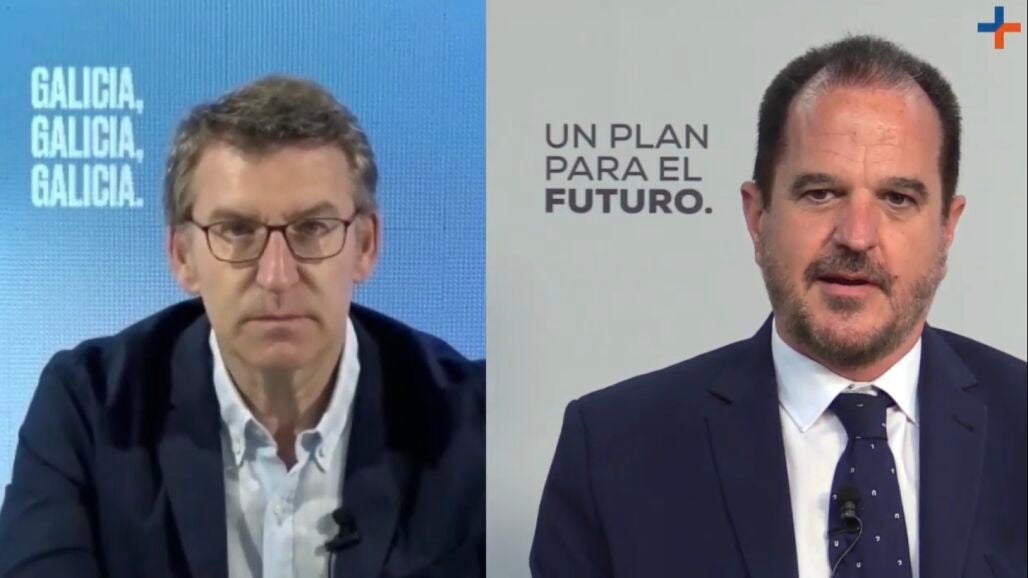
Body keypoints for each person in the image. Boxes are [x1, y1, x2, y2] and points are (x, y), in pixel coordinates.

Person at [530, 35, 1025, 578]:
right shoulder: (613, 452)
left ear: (948, 228)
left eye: (897, 199)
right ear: (757, 216)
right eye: (820, 193)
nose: (857, 236)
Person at [0, 76, 484, 578]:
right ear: (182, 256)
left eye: (312, 229)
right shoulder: (90, 408)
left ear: (365, 246)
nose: (277, 275)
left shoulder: (470, 420)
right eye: (236, 230)